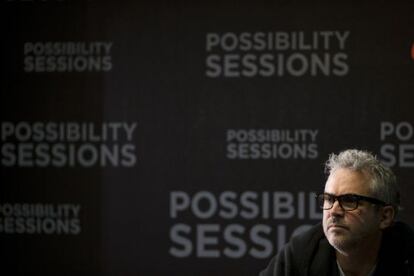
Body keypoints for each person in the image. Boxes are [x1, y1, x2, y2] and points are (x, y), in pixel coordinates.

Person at [260, 149, 414, 276]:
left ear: (385, 216)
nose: (334, 211)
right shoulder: (300, 256)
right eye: (329, 199)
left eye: (349, 201)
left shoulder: (407, 255)